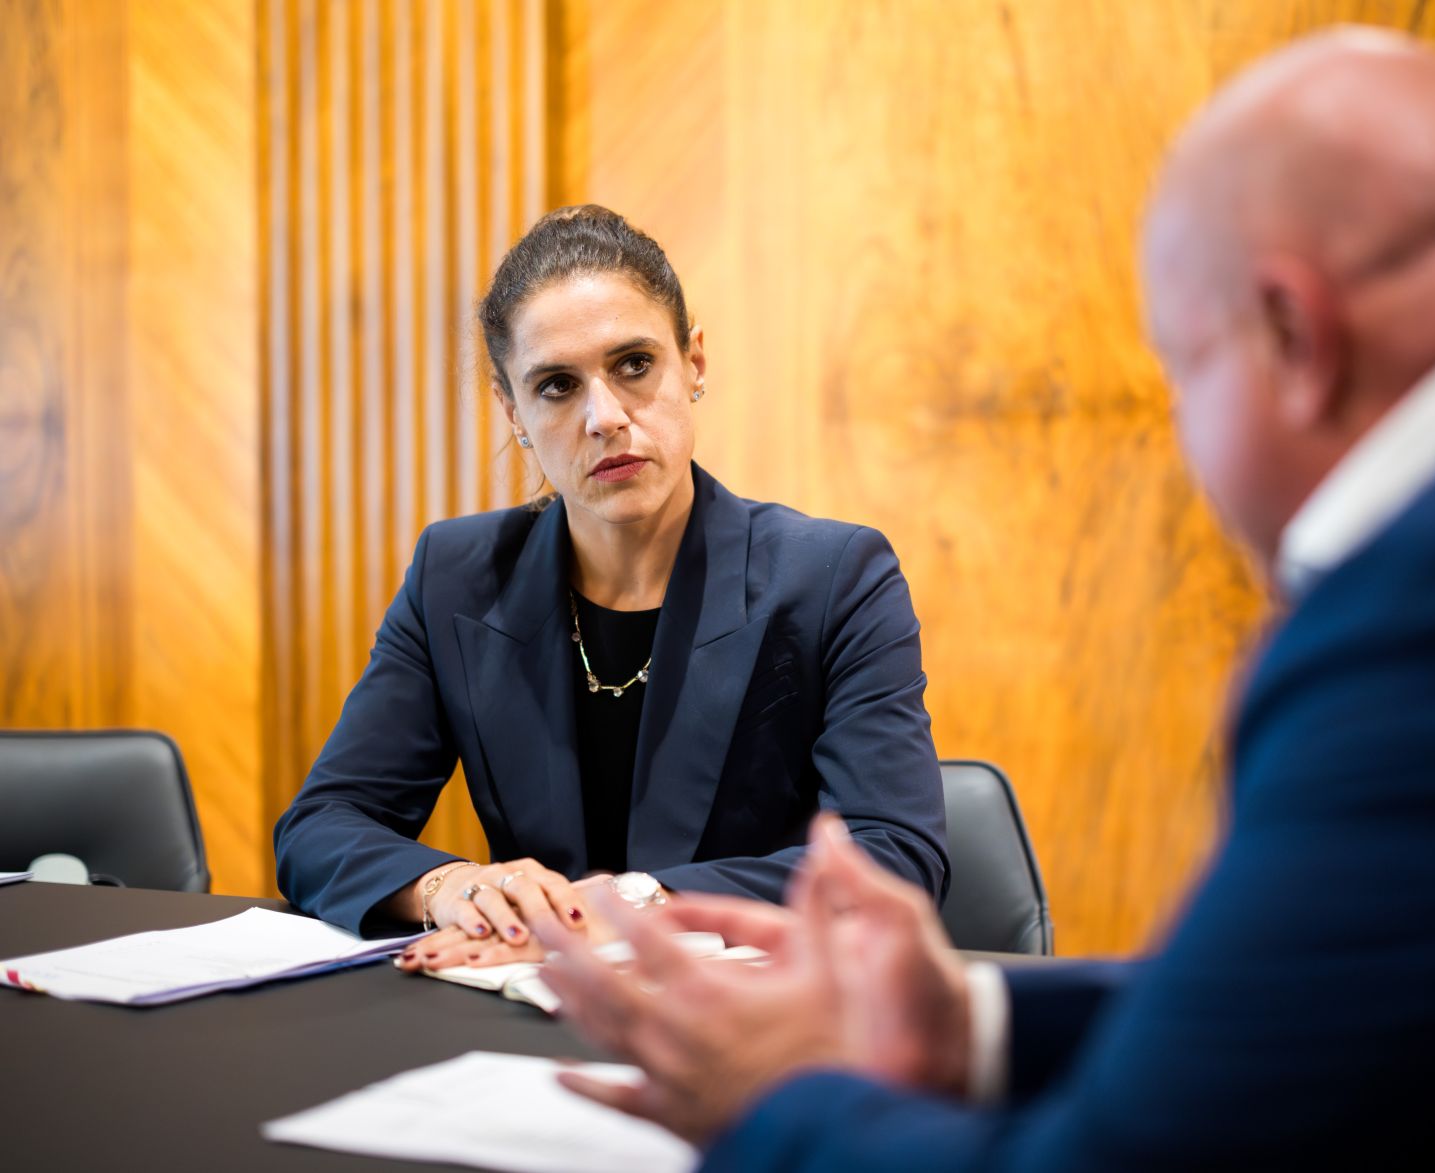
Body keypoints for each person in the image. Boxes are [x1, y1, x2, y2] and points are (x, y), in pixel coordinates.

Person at [535, 28, 1435, 1168]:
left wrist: (769, 1104)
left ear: (1290, 333)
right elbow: (1317, 1002)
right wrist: (972, 1019)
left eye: (1180, 376)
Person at [274, 205, 947, 968]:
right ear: (513, 411)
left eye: (633, 364)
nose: (605, 417)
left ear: (693, 362)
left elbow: (895, 858)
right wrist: (450, 886)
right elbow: (321, 824)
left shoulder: (834, 577)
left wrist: (631, 906)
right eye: (557, 385)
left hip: (755, 1015)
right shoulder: (455, 577)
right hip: (523, 1010)